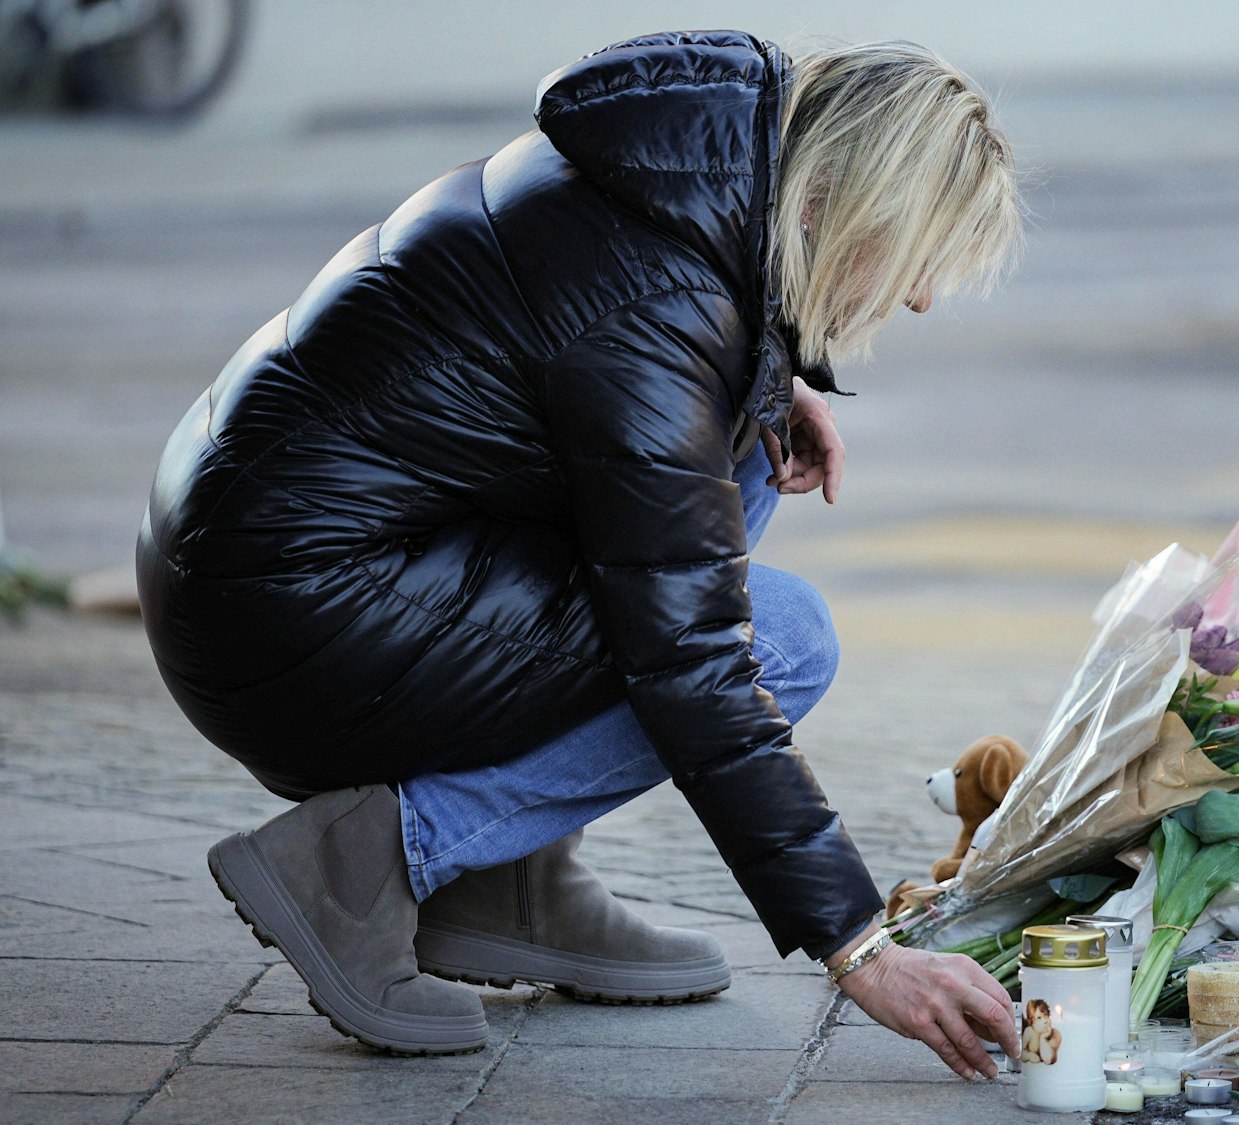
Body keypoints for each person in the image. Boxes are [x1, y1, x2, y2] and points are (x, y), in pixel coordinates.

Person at [136, 31, 1023, 1079]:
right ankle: (365, 863)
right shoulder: (658, 305)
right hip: (292, 614)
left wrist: (756, 386)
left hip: (272, 560)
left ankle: (507, 877)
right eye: (917, 258)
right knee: (782, 639)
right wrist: (861, 948)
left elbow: (567, 366)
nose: (915, 298)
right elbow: (689, 660)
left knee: (736, 460)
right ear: (841, 197)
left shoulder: (672, 173)